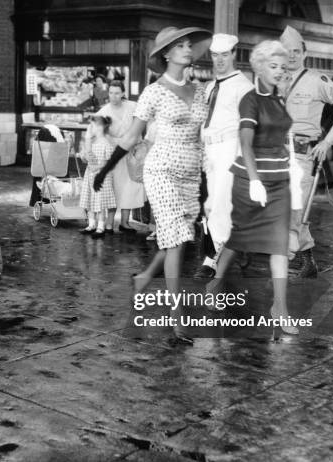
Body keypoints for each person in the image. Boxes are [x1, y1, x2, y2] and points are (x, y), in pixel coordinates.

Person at [94, 26, 212, 344]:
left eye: (190, 45)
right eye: (181, 46)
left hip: (192, 173)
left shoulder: (200, 90)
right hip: (161, 171)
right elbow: (132, 136)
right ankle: (176, 319)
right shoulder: (154, 92)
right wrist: (105, 169)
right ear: (167, 55)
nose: (188, 50)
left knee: (179, 237)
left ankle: (145, 277)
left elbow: (205, 135)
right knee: (176, 240)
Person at [206, 40, 297, 337]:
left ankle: (279, 307)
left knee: (279, 244)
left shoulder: (278, 99)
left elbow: (282, 139)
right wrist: (255, 180)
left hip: (280, 182)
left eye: (283, 67)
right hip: (250, 181)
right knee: (239, 239)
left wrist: (291, 169)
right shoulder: (250, 99)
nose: (280, 71)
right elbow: (245, 142)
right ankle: (215, 282)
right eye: (273, 66)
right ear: (259, 67)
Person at [280, 26, 333, 278]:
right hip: (275, 153)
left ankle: (299, 258)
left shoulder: (317, 80)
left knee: (294, 211)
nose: (290, 56)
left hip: (302, 156)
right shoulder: (274, 79)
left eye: (295, 51)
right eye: (286, 52)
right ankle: (304, 258)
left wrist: (327, 142)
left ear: (304, 53)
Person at [193, 33, 254, 280]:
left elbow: (248, 127)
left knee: (218, 204)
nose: (219, 60)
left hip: (230, 149)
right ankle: (236, 244)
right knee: (208, 203)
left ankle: (211, 259)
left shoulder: (245, 87)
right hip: (209, 150)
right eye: (215, 55)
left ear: (233, 55)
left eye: (224, 55)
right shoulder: (210, 87)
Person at [94, 80, 145, 233]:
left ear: (123, 93)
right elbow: (99, 134)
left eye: (117, 93)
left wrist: (139, 144)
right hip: (113, 154)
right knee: (113, 188)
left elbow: (139, 126)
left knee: (129, 187)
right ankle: (109, 223)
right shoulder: (103, 111)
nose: (113, 96)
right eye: (111, 93)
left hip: (131, 152)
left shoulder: (133, 106)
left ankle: (125, 222)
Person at [78, 115, 116, 238]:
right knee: (90, 200)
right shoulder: (91, 141)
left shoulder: (107, 142)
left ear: (101, 127)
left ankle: (100, 227)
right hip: (90, 174)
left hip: (102, 176)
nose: (91, 128)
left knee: (99, 203)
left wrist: (97, 167)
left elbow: (108, 161)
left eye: (93, 126)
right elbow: (85, 157)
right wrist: (84, 156)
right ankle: (91, 224)